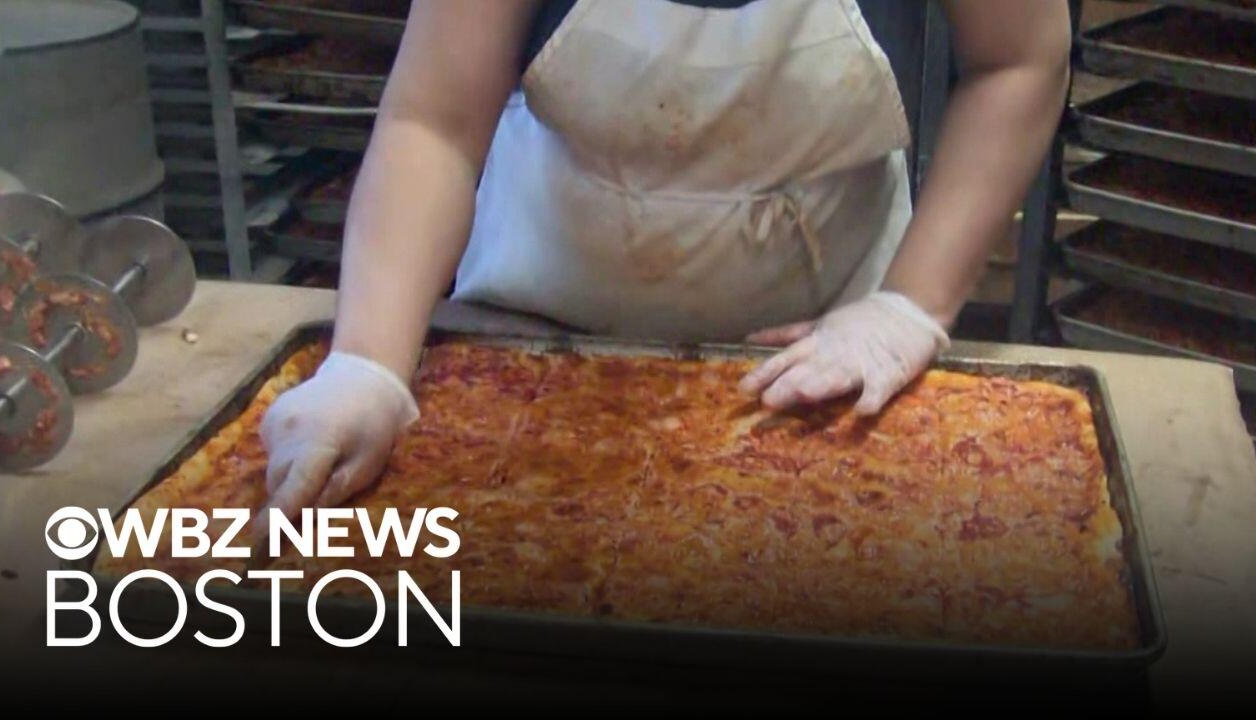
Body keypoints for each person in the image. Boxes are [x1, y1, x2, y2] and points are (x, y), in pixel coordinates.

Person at [259, 0, 1072, 525]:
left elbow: (1018, 60)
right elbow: (435, 120)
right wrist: (367, 363)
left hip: (824, 345)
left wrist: (909, 307)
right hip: (536, 310)